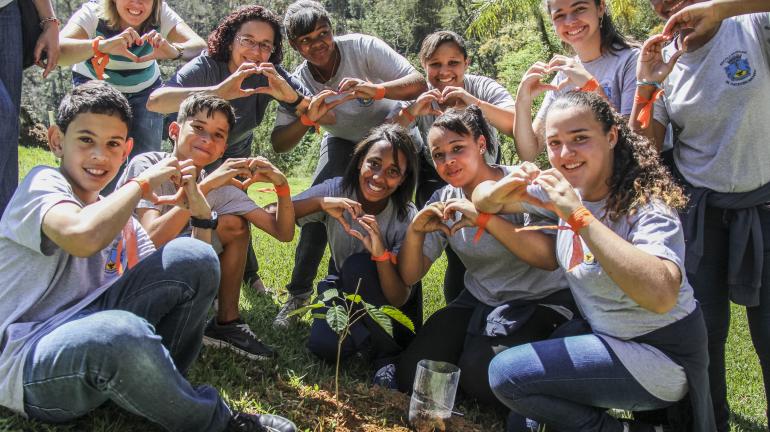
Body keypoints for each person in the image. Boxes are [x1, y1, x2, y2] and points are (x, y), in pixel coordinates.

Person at [0, 81, 296, 432]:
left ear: (125, 150)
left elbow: (183, 277)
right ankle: (218, 423)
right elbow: (81, 236)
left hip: (97, 338)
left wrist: (198, 212)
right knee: (119, 332)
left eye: (112, 145)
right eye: (85, 140)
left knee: (193, 257)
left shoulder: (116, 214)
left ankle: (154, 388)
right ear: (55, 141)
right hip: (30, 364)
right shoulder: (44, 183)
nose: (99, 155)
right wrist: (141, 184)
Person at [476, 91, 713, 431]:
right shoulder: (564, 191)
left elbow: (662, 295)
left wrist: (578, 215)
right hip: (607, 335)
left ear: (611, 136)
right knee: (524, 422)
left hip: (661, 354)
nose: (565, 154)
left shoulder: (647, 206)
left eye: (580, 139)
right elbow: (482, 200)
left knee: (507, 376)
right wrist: (504, 188)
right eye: (554, 143)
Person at [629, 0, 770, 428]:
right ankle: (711, 422)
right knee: (705, 337)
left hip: (764, 208)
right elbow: (646, 152)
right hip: (702, 216)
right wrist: (647, 85)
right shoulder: (666, 58)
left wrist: (722, 9)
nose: (670, 5)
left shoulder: (750, 25)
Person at [395, 105, 573, 409]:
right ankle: (472, 356)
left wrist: (485, 219)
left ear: (480, 144)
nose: (448, 161)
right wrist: (415, 232)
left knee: (482, 377)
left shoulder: (519, 184)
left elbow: (547, 258)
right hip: (482, 297)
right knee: (412, 374)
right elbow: (410, 275)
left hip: (539, 298)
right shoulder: (444, 200)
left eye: (457, 148)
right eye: (438, 154)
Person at [271, 0, 428, 328]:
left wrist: (378, 89)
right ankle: (299, 293)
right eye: (306, 40)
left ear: (332, 30)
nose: (318, 45)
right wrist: (306, 120)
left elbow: (418, 83)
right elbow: (279, 142)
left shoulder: (363, 48)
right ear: (294, 45)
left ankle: (405, 306)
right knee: (318, 208)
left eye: (323, 34)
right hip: (343, 142)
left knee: (401, 218)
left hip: (393, 136)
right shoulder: (298, 81)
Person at [117, 93, 295, 360]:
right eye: (198, 128)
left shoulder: (219, 184)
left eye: (218, 135)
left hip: (180, 272)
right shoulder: (149, 166)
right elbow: (150, 239)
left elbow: (283, 233)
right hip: (129, 279)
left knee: (235, 225)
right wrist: (206, 186)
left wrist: (281, 186)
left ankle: (226, 324)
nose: (207, 140)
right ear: (174, 130)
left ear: (223, 149)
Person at [147, 5, 311, 294]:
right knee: (196, 204)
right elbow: (156, 102)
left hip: (235, 150)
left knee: (235, 215)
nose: (255, 51)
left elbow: (314, 109)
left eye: (265, 45)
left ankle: (246, 276)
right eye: (247, 41)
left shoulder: (270, 73)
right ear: (231, 40)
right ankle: (180, 268)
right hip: (195, 151)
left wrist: (290, 96)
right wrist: (220, 90)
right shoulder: (208, 65)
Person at [289, 124, 421, 385]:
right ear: (360, 161)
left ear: (404, 178)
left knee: (359, 265)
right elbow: (277, 213)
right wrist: (318, 203)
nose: (379, 177)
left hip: (391, 300)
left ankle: (387, 357)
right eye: (373, 163)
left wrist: (380, 253)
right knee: (324, 346)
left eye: (393, 171)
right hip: (342, 287)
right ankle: (365, 338)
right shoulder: (337, 190)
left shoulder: (406, 215)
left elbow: (399, 296)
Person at [391, 30, 516, 303]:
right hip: (438, 178)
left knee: (493, 238)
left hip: (489, 173)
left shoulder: (481, 87)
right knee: (457, 246)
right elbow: (382, 140)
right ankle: (461, 304)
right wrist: (411, 112)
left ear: (466, 63)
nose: (444, 71)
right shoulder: (420, 95)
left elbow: (514, 124)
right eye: (435, 64)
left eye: (453, 63)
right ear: (423, 65)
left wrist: (475, 103)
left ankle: (504, 292)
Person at [57, 0, 206, 192]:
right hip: (96, 89)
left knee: (146, 160)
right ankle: (91, 209)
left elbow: (200, 47)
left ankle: (139, 215)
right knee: (99, 155)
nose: (137, 4)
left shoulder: (161, 14)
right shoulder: (94, 12)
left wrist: (175, 51)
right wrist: (101, 46)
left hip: (144, 90)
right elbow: (59, 52)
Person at [514, 0, 638, 162]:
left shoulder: (632, 61)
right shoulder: (563, 75)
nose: (570, 21)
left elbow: (635, 144)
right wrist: (522, 101)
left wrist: (590, 86)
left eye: (579, 9)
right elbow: (530, 152)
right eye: (559, 15)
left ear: (600, 8)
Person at [0, 0, 59, 216]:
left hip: (7, 12)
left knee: (8, 132)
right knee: (3, 115)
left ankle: (5, 238)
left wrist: (50, 21)